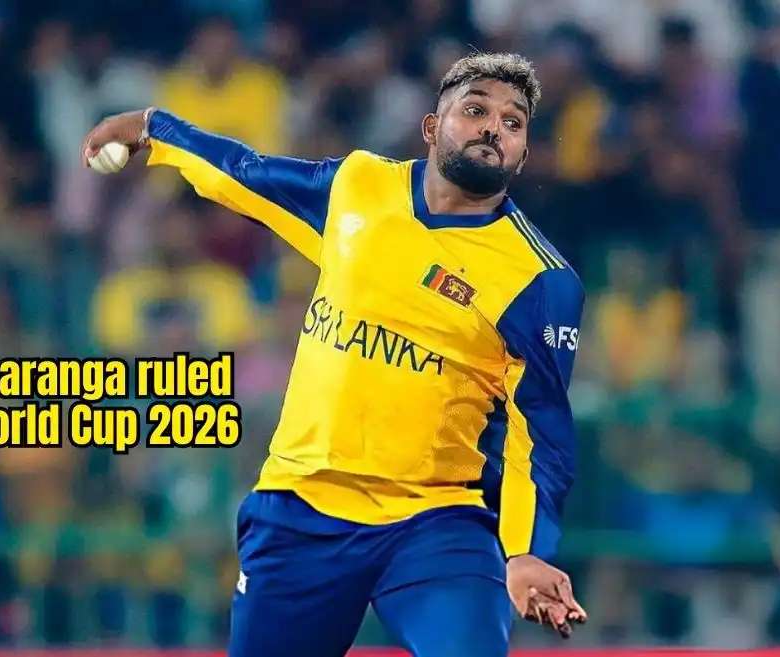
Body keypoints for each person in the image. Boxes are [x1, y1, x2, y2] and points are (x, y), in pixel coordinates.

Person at [82, 52, 588, 657]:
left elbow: (542, 435)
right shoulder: (361, 186)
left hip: (435, 520)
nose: (492, 129)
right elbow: (246, 174)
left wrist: (527, 552)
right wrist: (154, 129)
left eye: (512, 123)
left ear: (523, 154)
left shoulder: (540, 281)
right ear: (432, 127)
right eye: (476, 110)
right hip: (301, 504)